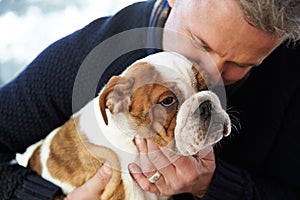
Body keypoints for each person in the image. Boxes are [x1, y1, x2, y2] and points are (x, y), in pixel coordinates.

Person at [0, 0, 299, 199]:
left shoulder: (290, 75)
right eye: (199, 43)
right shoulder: (95, 54)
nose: (210, 76)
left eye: (242, 66)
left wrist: (212, 185)